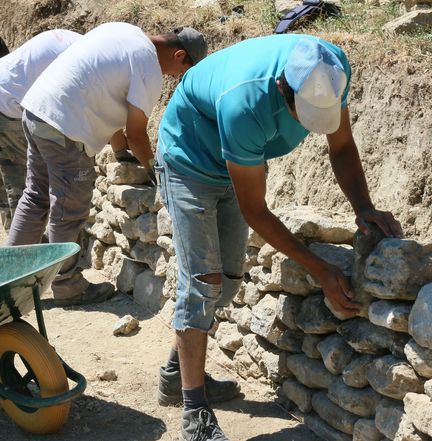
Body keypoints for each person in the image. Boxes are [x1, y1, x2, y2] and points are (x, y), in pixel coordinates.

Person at [155, 34, 403, 440]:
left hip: (238, 158)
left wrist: (364, 208)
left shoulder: (331, 68)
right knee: (203, 284)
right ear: (281, 89)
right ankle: (194, 409)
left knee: (231, 280)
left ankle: (177, 370)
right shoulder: (244, 105)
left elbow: (341, 146)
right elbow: (255, 210)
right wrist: (320, 269)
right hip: (190, 160)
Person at [7, 22, 207, 307]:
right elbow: (137, 134)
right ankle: (67, 286)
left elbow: (96, 87)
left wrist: (121, 151)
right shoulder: (148, 67)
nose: (176, 78)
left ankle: (11, 277)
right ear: (178, 56)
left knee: (35, 196)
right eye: (181, 72)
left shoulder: (121, 31)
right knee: (69, 208)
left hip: (36, 111)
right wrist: (155, 172)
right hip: (65, 128)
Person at [0, 30, 82, 233]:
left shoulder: (66, 37)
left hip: (5, 95)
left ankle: (13, 239)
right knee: (25, 181)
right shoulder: (80, 56)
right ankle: (22, 250)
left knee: (10, 174)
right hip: (6, 107)